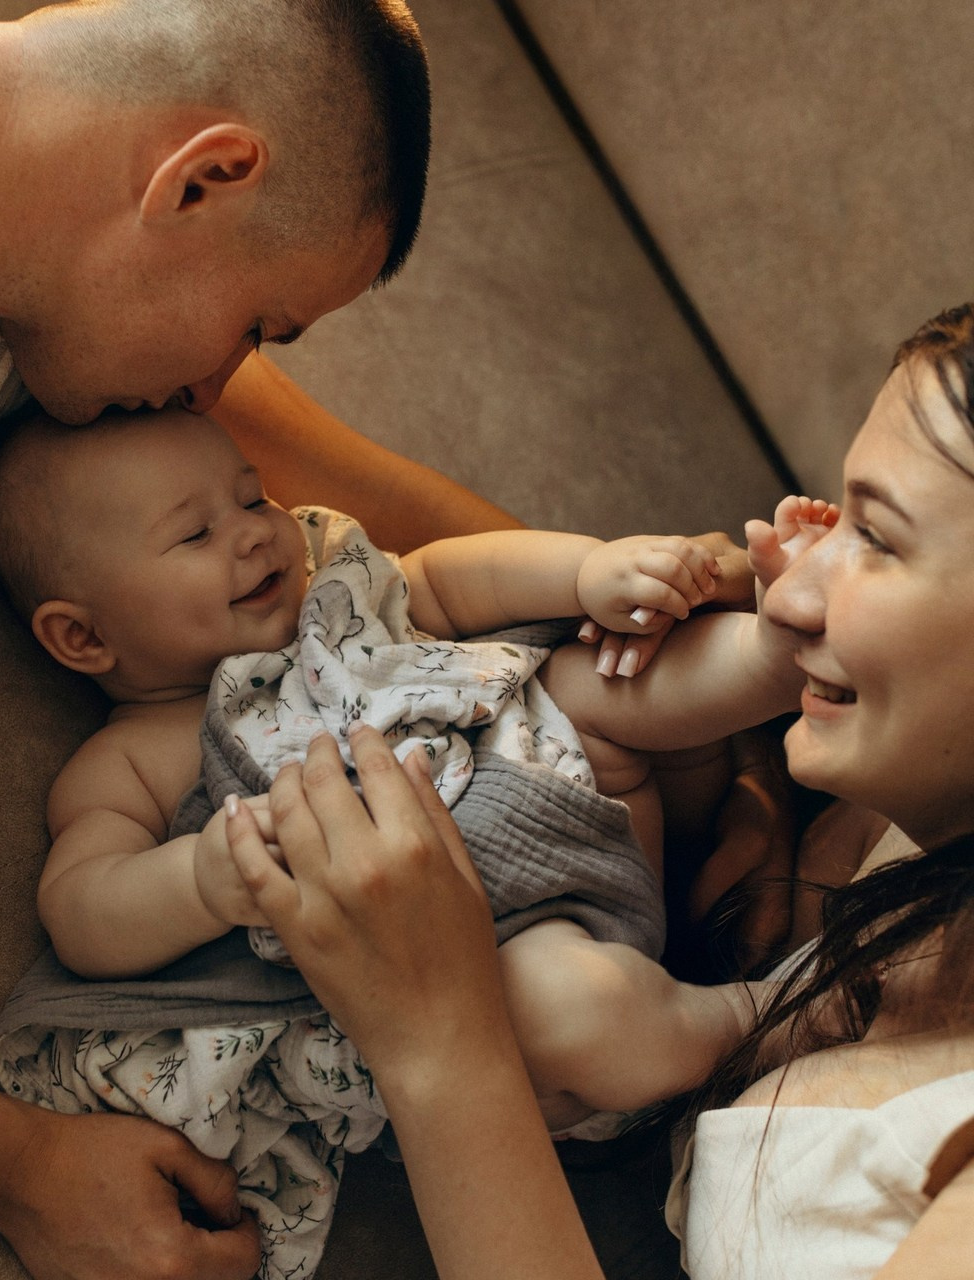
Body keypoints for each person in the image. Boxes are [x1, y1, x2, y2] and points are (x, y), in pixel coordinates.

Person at [0, 0, 518, 1274]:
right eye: (257, 321)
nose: (216, 389)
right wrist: (13, 1164)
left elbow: (375, 503)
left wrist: (642, 637)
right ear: (203, 178)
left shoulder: (2, 242)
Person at [222, 304, 974, 1279]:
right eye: (838, 520)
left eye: (874, 536)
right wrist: (731, 746)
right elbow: (447, 622)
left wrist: (441, 1046)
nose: (785, 595)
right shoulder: (902, 805)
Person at [0, 403, 825, 1130]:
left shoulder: (338, 600)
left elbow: (459, 572)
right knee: (572, 1015)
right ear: (83, 636)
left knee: (605, 669)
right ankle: (770, 1013)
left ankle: (788, 652)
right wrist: (201, 882)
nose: (252, 532)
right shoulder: (130, 761)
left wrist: (587, 570)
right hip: (500, 955)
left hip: (581, 781)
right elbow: (80, 911)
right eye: (196, 533)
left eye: (251, 495)